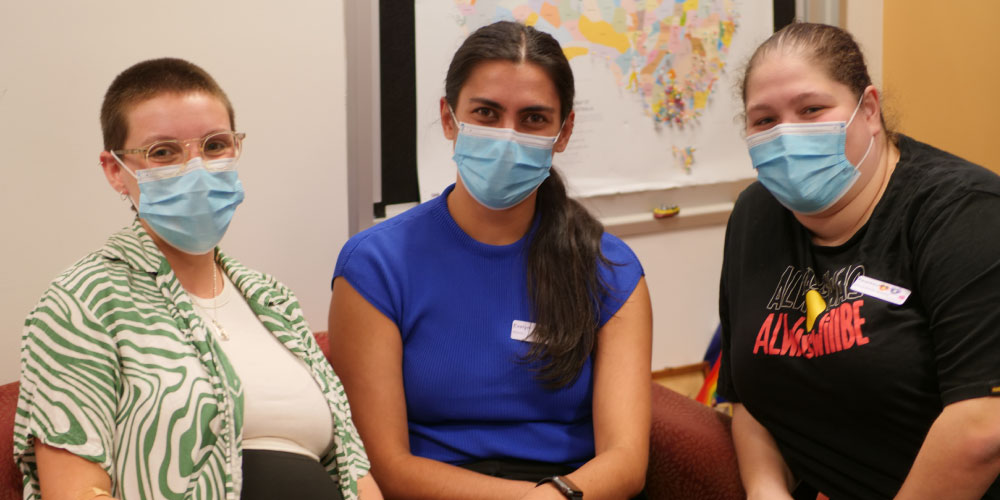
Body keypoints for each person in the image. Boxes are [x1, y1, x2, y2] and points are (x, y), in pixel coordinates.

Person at [14, 58, 380, 500]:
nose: (197, 169)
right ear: (115, 170)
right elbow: (75, 491)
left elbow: (353, 469)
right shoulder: (81, 302)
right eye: (163, 152)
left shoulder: (273, 299)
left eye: (215, 145)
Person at [328, 21, 652, 500]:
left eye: (533, 119)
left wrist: (550, 497)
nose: (507, 136)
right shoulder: (375, 265)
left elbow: (625, 462)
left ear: (563, 132)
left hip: (569, 492)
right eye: (486, 113)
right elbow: (387, 467)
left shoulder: (611, 269)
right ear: (448, 118)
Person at [718, 22, 1000, 500]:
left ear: (868, 110)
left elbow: (983, 428)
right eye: (764, 120)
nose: (786, 135)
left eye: (811, 109)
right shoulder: (755, 214)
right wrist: (766, 491)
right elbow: (747, 397)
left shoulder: (966, 212)